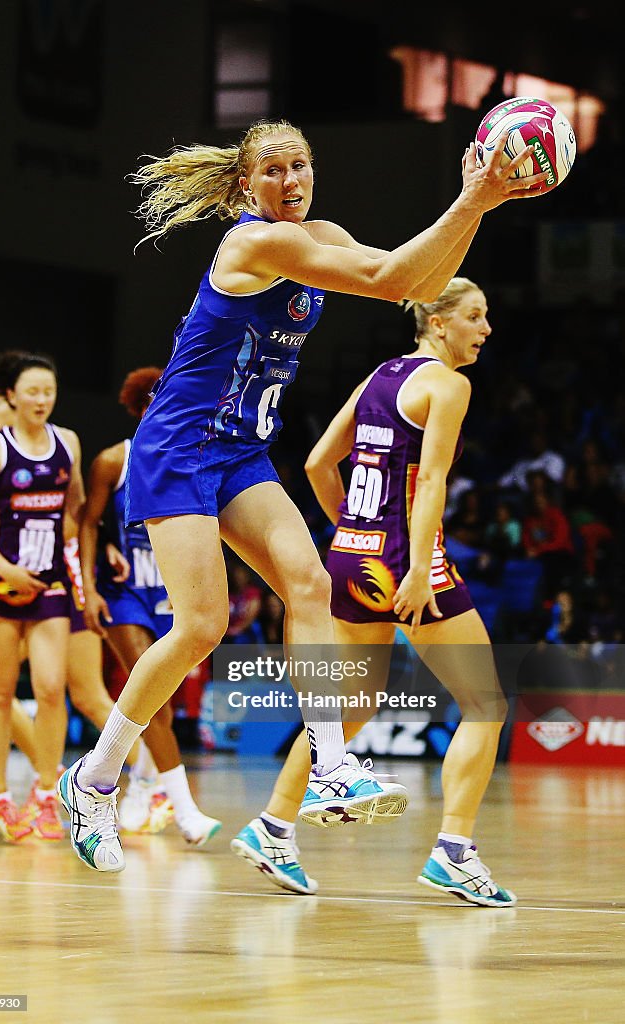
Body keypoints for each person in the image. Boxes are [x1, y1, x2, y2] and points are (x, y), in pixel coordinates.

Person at [57, 117, 548, 873]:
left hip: (239, 450)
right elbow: (389, 281)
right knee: (201, 628)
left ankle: (328, 764)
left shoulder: (318, 234)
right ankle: (92, 779)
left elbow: (413, 285)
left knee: (310, 584)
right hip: (179, 447)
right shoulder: (257, 243)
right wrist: (471, 199)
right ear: (244, 187)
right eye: (274, 170)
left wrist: (475, 206)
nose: (291, 181)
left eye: (302, 166)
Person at [231, 278, 516, 907]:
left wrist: (352, 533)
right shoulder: (448, 384)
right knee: (486, 703)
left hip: (352, 556)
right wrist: (415, 568)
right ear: (438, 324)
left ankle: (274, 828)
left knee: (351, 710)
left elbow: (315, 464)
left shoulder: (379, 376)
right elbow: (433, 482)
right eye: (475, 316)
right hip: (408, 562)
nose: (485, 328)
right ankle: (455, 854)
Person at [0, 376, 143, 825]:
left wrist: (99, 545)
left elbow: (80, 515)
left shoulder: (59, 447)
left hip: (65, 587)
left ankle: (150, 777)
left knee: (82, 694)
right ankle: (46, 775)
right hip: (12, 587)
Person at [79, 366, 222, 845]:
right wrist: (89, 584)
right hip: (123, 593)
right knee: (154, 705)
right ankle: (185, 812)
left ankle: (140, 784)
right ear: (141, 406)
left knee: (158, 698)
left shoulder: (190, 457)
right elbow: (88, 523)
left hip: (168, 593)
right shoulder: (111, 461)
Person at [0, 351, 83, 842]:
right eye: (32, 391)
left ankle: (47, 794)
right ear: (11, 395)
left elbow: (75, 507)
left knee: (53, 688)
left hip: (50, 583)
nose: (41, 400)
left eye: (48, 391)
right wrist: (6, 566)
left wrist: (70, 555)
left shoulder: (68, 443)